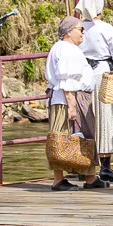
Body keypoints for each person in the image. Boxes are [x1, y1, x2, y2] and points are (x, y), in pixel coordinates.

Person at [44, 15, 98, 191]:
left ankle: (90, 176)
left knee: (85, 134)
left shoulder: (64, 48)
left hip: (73, 97)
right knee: (62, 137)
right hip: (69, 99)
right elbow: (66, 79)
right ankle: (59, 179)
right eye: (80, 29)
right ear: (69, 32)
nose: (83, 33)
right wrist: (72, 105)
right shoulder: (66, 49)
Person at [76, 0, 113, 188]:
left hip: (82, 75)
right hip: (103, 74)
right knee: (104, 119)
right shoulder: (105, 28)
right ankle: (105, 165)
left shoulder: (75, 28)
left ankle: (85, 165)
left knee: (86, 119)